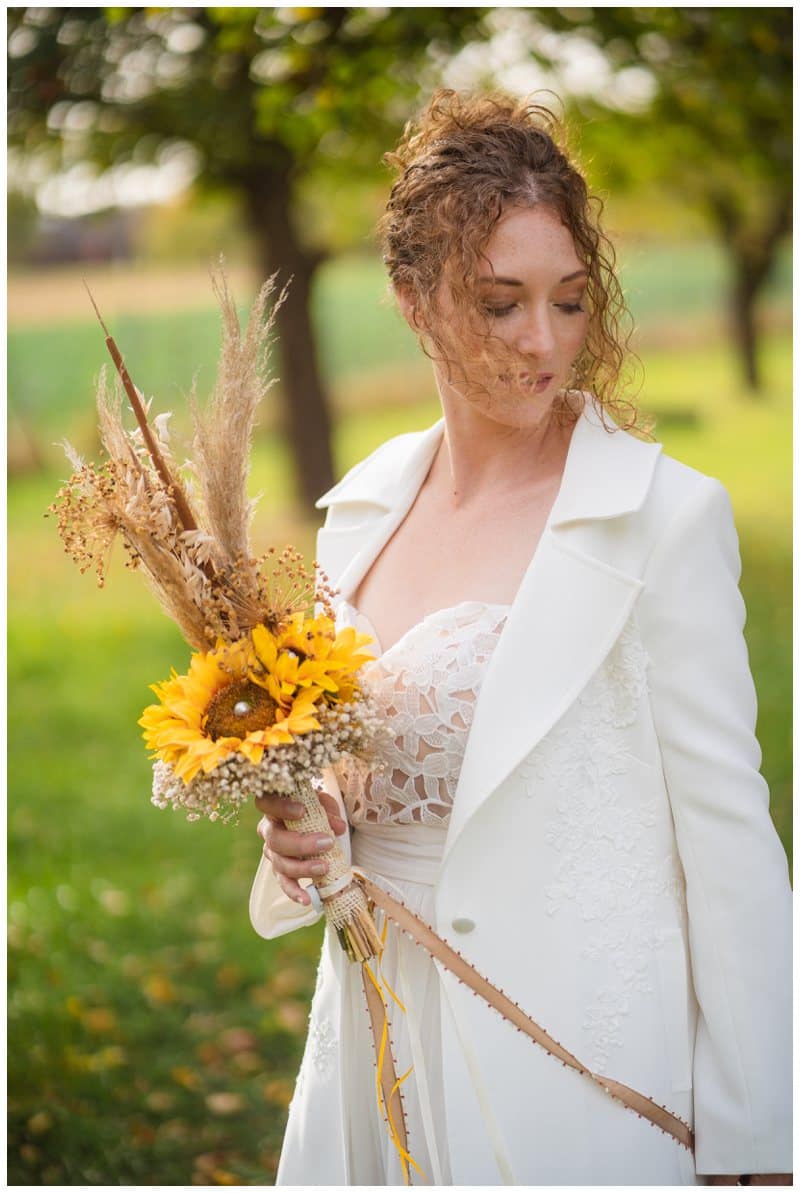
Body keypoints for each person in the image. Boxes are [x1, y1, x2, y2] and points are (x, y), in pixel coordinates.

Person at [249, 90, 792, 1186]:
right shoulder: (358, 513)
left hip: (576, 1056)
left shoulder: (658, 518)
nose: (541, 342)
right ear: (411, 297)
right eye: (497, 304)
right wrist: (304, 839)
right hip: (373, 1028)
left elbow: (730, 842)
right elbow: (353, 776)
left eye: (568, 300)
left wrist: (762, 1136)